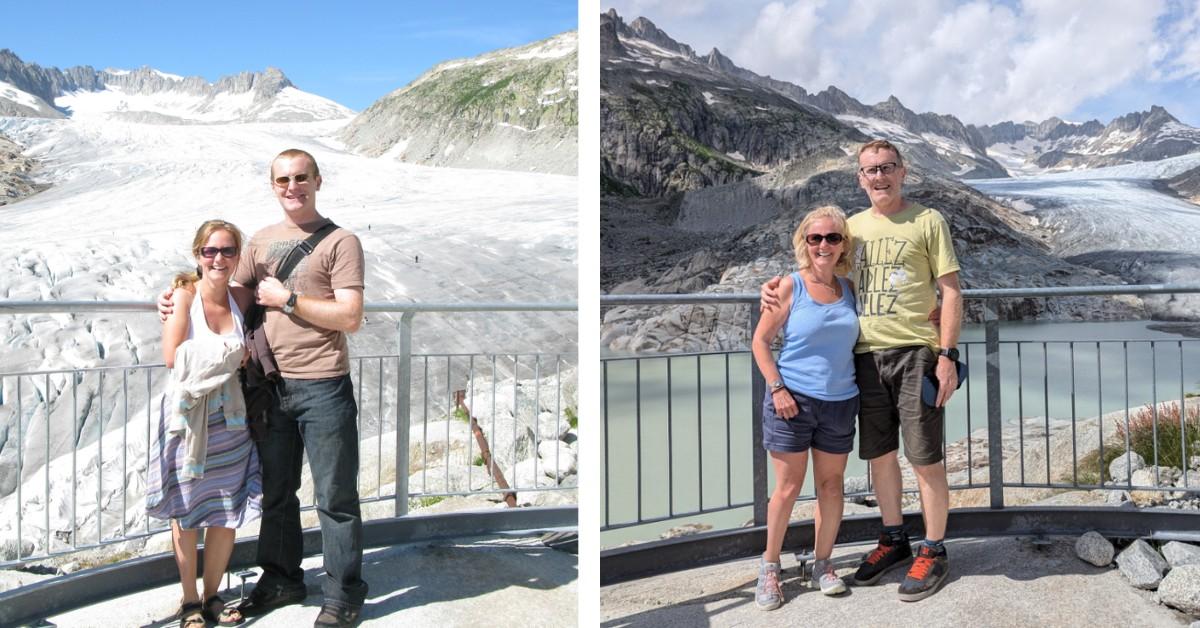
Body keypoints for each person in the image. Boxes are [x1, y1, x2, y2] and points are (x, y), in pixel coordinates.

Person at [159, 149, 367, 627]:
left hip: (323, 383)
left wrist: (288, 298)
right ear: (272, 186)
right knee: (277, 492)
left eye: (300, 178)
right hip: (270, 388)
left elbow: (350, 316)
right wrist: (176, 292)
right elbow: (225, 288)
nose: (292, 187)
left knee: (335, 497)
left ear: (317, 180)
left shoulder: (342, 242)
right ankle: (281, 578)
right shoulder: (261, 242)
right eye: (282, 180)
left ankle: (343, 593)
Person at [762, 139, 963, 602]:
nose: (879, 177)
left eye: (887, 168)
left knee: (924, 455)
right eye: (870, 170)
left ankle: (934, 549)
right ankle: (894, 538)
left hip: (916, 351)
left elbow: (950, 291)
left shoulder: (928, 221)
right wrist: (772, 288)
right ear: (860, 177)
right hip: (865, 358)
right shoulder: (849, 228)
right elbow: (820, 269)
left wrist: (947, 354)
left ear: (902, 171)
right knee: (879, 455)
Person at [147, 219, 261, 627]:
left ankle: (214, 594)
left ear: (237, 257)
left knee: (225, 508)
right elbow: (173, 357)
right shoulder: (183, 296)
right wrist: (232, 355)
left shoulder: (241, 298)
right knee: (188, 509)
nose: (218, 258)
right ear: (197, 255)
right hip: (188, 417)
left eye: (227, 251)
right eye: (210, 251)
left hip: (230, 419)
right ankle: (190, 600)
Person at [751, 206, 859, 610]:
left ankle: (823, 564)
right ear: (804, 243)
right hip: (791, 400)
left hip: (840, 402)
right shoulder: (788, 287)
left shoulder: (849, 288)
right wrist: (777, 388)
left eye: (832, 238)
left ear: (842, 244)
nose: (824, 245)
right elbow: (760, 342)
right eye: (815, 238)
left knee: (831, 487)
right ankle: (770, 567)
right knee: (788, 489)